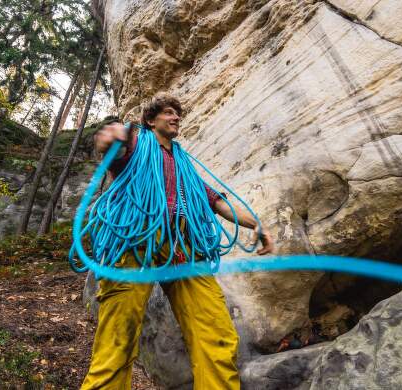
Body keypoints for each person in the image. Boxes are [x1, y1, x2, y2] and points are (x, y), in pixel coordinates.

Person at [81, 92, 275, 389]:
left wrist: (256, 225)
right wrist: (108, 139)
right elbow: (112, 150)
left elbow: (216, 202)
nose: (176, 118)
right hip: (136, 239)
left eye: (178, 114)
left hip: (183, 245)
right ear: (150, 119)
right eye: (169, 112)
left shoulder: (184, 164)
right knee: (117, 340)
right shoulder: (135, 145)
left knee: (216, 334)